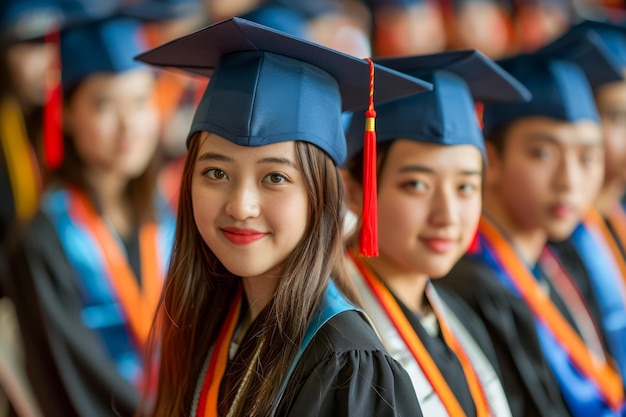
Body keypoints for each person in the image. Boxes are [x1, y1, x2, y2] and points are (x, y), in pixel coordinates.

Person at [135, 16, 431, 417]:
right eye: (216, 173)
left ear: (323, 195)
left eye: (275, 177)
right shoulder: (213, 321)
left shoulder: (346, 366)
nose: (241, 206)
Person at [437, 29, 626, 417]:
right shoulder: (466, 286)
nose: (569, 181)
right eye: (542, 153)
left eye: (587, 156)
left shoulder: (562, 259)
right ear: (491, 160)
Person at [342, 49, 531, 416]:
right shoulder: (342, 346)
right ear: (354, 191)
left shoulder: (459, 314)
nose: (447, 216)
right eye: (416, 184)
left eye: (464, 187)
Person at [6, 15, 177, 417]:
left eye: (139, 102)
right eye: (104, 105)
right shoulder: (43, 239)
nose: (128, 126)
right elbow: (72, 375)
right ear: (65, 113)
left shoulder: (167, 213)